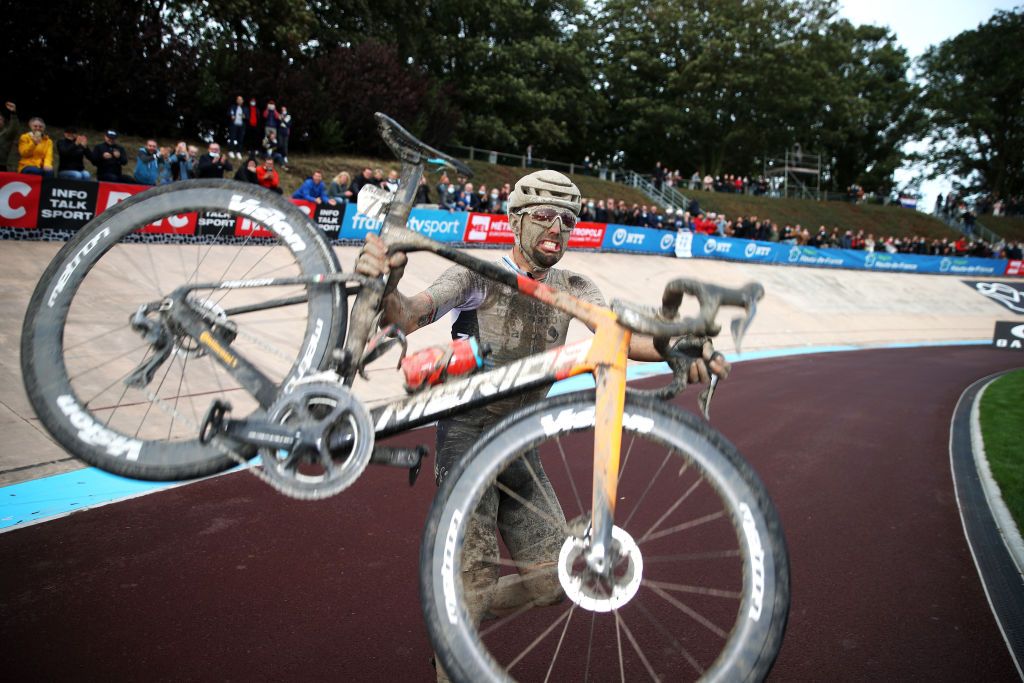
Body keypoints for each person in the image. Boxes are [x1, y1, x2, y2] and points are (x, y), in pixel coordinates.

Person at [355, 171, 727, 679]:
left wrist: (677, 350)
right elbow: (408, 315)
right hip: (467, 437)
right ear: (515, 221)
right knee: (475, 574)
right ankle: (455, 639)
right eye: (546, 216)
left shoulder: (572, 286)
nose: (559, 228)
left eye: (569, 220)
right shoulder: (477, 274)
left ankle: (457, 612)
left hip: (521, 442)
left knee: (555, 582)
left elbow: (622, 339)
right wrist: (387, 280)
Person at [0, 102, 20, 171]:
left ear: (3, 122)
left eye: (0, 119)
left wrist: (13, 113)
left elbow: (14, 128)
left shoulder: (6, 133)